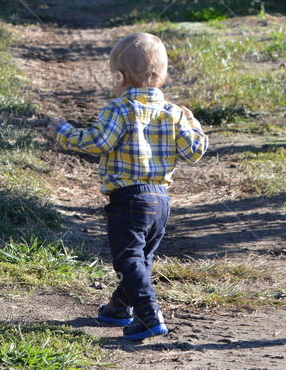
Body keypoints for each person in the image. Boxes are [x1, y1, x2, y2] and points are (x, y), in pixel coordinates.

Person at [48, 32, 208, 340]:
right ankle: (119, 307)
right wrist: (193, 122)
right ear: (162, 76)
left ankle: (148, 315)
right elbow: (194, 151)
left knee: (128, 258)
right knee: (141, 258)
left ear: (119, 76)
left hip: (128, 198)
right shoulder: (174, 113)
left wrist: (63, 131)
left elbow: (97, 142)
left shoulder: (118, 109)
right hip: (161, 201)